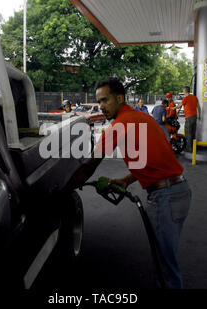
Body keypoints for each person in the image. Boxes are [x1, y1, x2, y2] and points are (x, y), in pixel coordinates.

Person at [66, 78, 192, 289]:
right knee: (165, 262)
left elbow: (90, 164)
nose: (102, 106)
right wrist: (126, 179)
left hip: (165, 197)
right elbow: (156, 158)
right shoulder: (143, 118)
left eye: (105, 100)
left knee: (166, 271)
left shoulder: (120, 125)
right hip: (179, 192)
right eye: (99, 102)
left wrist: (64, 187)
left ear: (120, 98)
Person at [172, 86, 201, 152]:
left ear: (185, 91)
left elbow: (179, 106)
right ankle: (193, 148)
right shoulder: (194, 97)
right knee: (193, 133)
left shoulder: (186, 98)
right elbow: (198, 107)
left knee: (188, 133)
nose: (183, 91)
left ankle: (189, 149)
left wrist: (173, 108)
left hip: (189, 117)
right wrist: (199, 116)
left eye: (183, 90)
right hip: (194, 117)